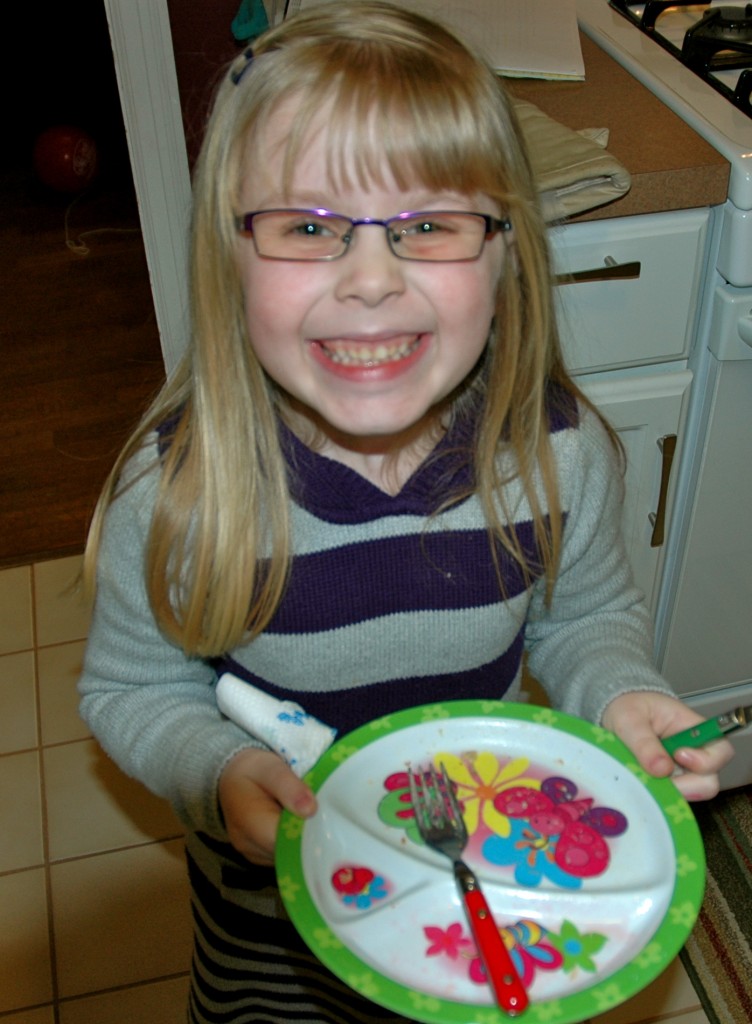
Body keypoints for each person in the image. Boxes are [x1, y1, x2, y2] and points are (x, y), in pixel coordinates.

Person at [78, 3, 733, 1021]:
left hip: (468, 882)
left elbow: (583, 619)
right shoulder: (179, 494)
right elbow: (130, 688)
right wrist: (217, 770)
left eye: (428, 225)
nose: (372, 279)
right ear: (227, 253)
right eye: (306, 227)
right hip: (271, 921)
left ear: (505, 250)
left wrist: (616, 691)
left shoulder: (556, 456)